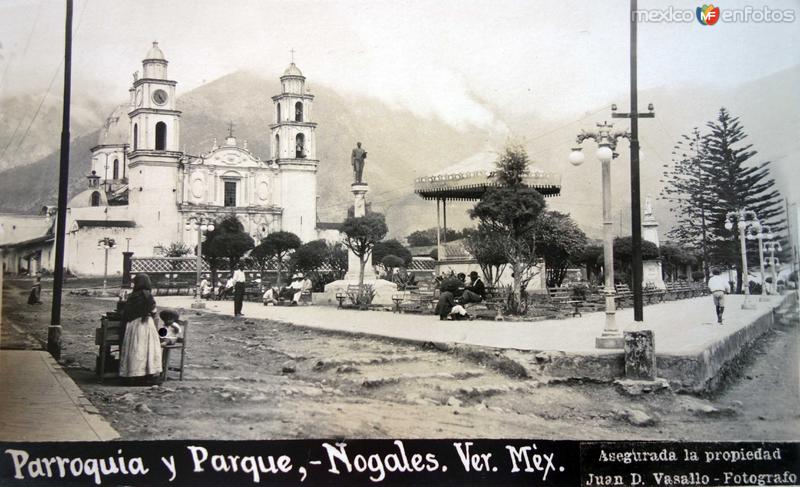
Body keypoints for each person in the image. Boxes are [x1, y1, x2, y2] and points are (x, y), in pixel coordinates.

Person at [119, 273, 163, 385]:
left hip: (133, 325)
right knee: (148, 350)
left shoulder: (132, 296)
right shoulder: (148, 296)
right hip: (146, 325)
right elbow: (153, 311)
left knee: (136, 350)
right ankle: (148, 375)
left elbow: (126, 312)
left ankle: (133, 375)